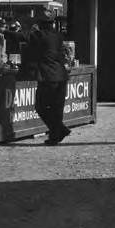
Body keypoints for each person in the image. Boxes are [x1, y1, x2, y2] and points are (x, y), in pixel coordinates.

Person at [30, 10, 70, 145]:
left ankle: (59, 129)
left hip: (48, 77)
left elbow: (25, 40)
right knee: (56, 109)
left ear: (40, 24)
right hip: (61, 75)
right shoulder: (58, 36)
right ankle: (55, 136)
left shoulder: (38, 36)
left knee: (40, 107)